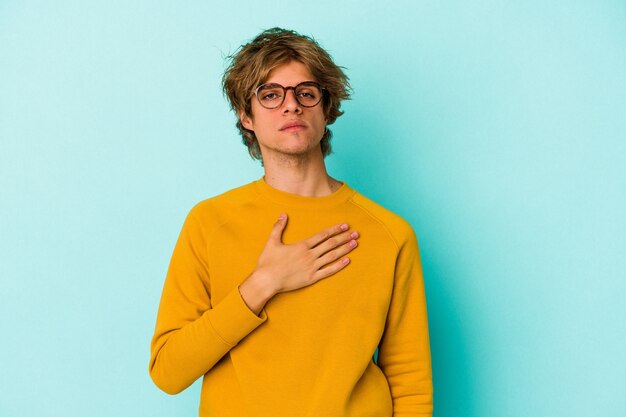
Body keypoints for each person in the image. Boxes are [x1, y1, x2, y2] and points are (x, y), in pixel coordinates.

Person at [149, 27, 433, 417]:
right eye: (270, 95)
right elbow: (168, 371)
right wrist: (263, 283)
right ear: (245, 116)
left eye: (306, 92)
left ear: (326, 108)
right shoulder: (209, 222)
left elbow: (409, 380)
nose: (291, 106)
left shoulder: (390, 234)